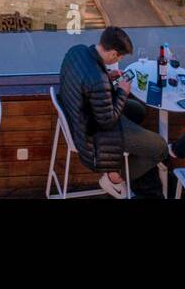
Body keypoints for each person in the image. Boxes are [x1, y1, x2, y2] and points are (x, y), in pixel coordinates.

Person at [57, 26, 167, 198]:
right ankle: (113, 177)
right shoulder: (98, 81)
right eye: (120, 56)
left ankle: (132, 153)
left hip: (81, 115)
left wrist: (108, 75)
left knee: (138, 110)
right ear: (114, 54)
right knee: (160, 147)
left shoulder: (77, 50)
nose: (120, 59)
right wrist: (122, 92)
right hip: (93, 135)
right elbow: (108, 121)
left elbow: (86, 80)